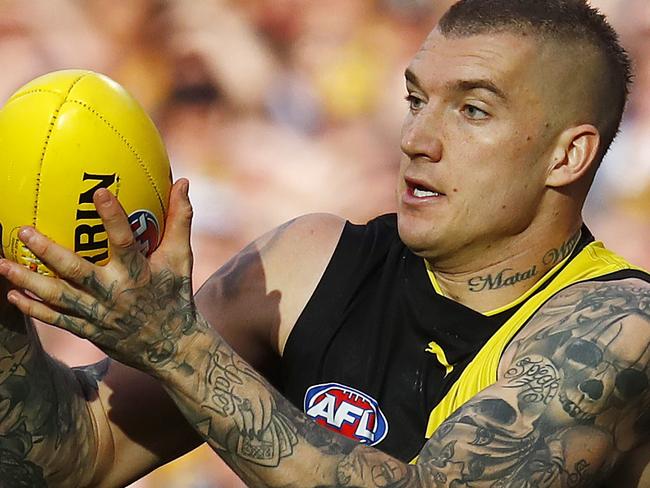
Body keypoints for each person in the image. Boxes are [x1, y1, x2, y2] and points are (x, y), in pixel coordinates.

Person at [1, 0, 650, 486]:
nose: (417, 138)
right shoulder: (304, 267)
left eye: (472, 110)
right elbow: (67, 458)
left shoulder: (619, 329)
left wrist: (178, 346)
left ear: (568, 156)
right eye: (415, 99)